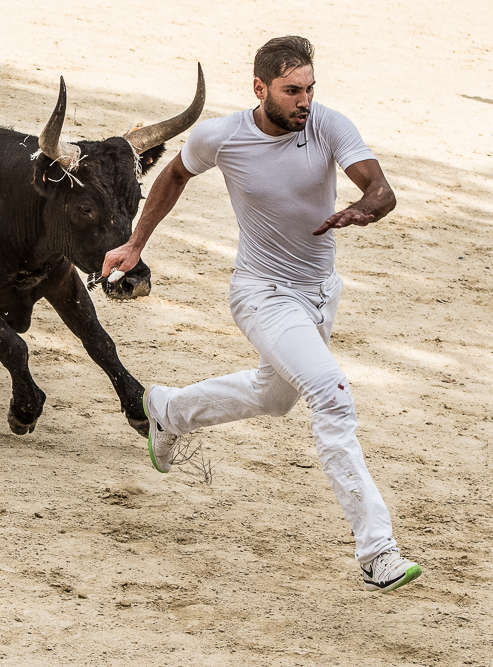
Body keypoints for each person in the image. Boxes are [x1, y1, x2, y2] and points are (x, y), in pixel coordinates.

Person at [102, 36, 421, 593]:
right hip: (262, 293)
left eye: (310, 89)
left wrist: (365, 208)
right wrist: (135, 243)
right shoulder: (222, 137)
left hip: (321, 292)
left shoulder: (326, 124)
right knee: (330, 392)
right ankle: (378, 550)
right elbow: (174, 175)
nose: (305, 101)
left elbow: (380, 187)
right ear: (260, 89)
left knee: (276, 397)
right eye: (292, 90)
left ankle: (168, 410)